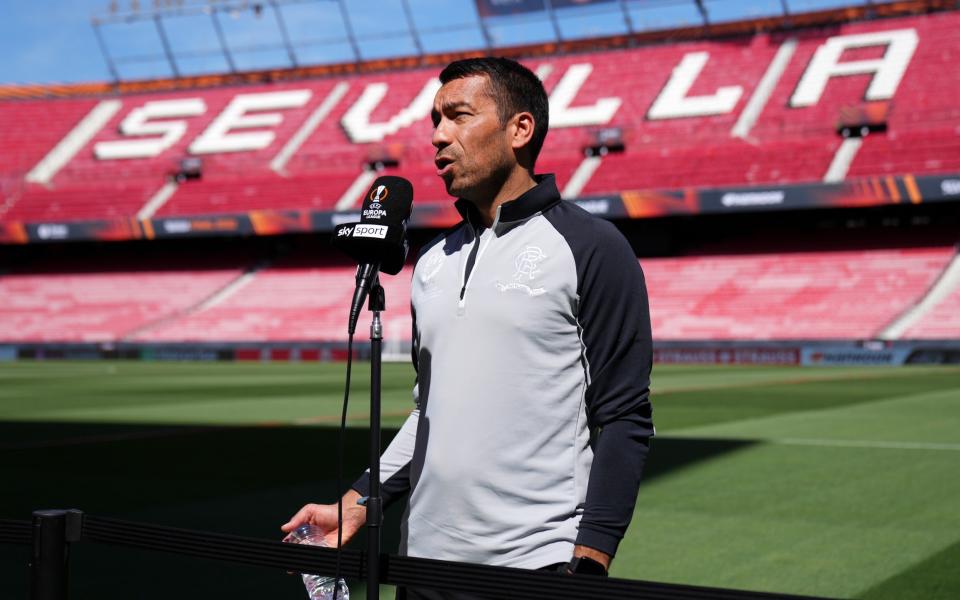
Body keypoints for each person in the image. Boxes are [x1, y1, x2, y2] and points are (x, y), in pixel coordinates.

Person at [283, 57, 653, 598]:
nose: (438, 137)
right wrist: (358, 503)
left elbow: (624, 416)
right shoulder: (430, 262)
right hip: (420, 568)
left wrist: (590, 563)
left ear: (520, 130)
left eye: (457, 116)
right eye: (435, 120)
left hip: (533, 569)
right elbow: (427, 413)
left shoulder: (592, 248)